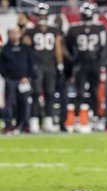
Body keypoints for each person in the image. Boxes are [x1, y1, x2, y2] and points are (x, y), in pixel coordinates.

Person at [23, 2, 64, 133]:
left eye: (44, 15)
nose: (42, 17)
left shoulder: (54, 29)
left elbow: (57, 48)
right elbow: (26, 49)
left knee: (50, 94)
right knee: (35, 93)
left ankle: (49, 120)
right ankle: (35, 120)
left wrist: (60, 64)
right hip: (37, 65)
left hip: (50, 64)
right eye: (40, 15)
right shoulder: (31, 30)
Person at [0, 27, 34, 134]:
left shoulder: (25, 48)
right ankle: (8, 125)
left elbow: (31, 63)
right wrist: (7, 77)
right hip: (11, 80)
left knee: (24, 103)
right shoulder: (5, 49)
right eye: (12, 33)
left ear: (20, 34)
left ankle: (25, 125)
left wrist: (27, 76)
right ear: (8, 35)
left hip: (24, 80)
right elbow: (1, 66)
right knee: (9, 103)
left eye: (16, 33)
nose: (14, 35)